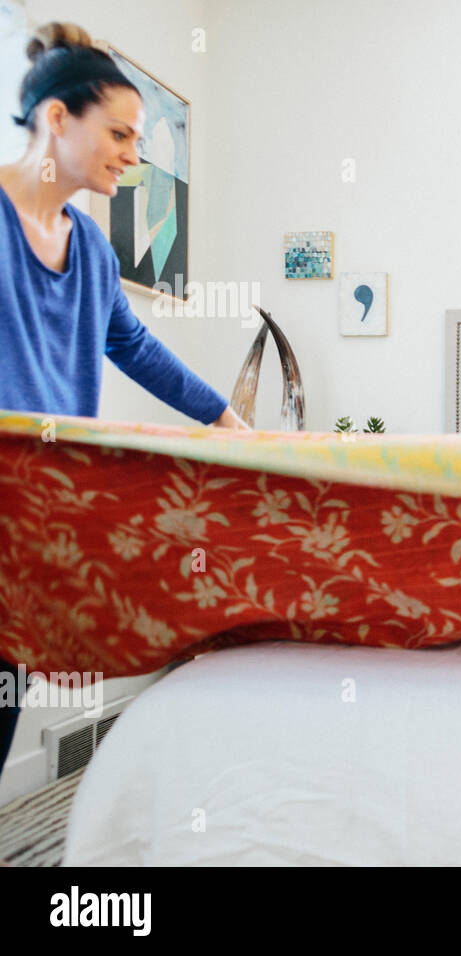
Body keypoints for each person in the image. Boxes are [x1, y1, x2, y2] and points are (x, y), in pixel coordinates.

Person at [0, 22, 249, 785]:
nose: (133, 155)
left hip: (38, 521)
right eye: (118, 133)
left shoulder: (95, 252)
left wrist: (226, 421)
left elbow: (135, 349)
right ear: (56, 119)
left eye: (139, 139)